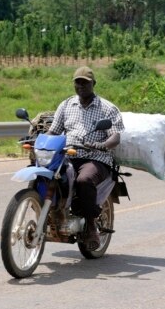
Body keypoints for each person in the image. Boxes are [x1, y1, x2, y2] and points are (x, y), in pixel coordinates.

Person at [48, 66, 124, 251]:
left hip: (96, 158)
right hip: (69, 155)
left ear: (93, 84)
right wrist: (42, 140)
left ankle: (90, 225)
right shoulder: (66, 105)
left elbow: (116, 136)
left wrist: (102, 145)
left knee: (84, 180)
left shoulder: (107, 108)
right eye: (78, 82)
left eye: (85, 82)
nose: (81, 85)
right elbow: (54, 130)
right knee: (48, 174)